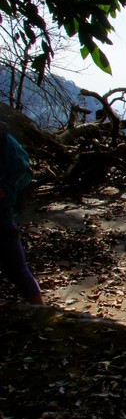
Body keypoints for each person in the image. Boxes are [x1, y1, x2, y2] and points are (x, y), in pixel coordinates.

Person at [0, 122, 43, 305]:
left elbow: (24, 171)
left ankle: (44, 320)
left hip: (1, 216)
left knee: (18, 271)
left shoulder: (3, 140)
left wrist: (5, 191)